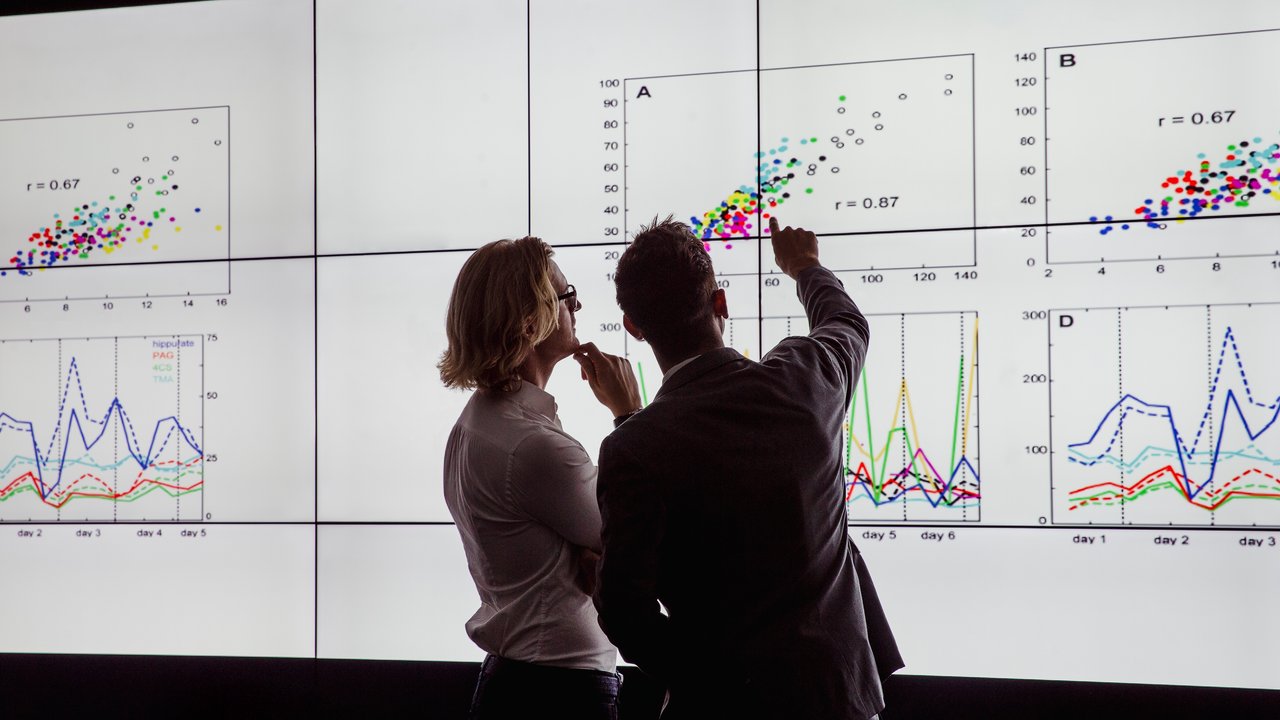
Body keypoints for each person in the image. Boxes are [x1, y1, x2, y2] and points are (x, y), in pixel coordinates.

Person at [585, 216, 904, 719]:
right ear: (720, 302)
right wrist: (804, 267)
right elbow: (846, 324)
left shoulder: (634, 447)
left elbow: (625, 612)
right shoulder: (805, 379)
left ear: (634, 328)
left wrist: (714, 682)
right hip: (838, 701)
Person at [438, 236, 642, 720]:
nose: (578, 306)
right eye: (566, 296)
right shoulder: (533, 447)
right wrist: (630, 414)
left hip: (520, 682)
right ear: (530, 322)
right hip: (560, 695)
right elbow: (638, 534)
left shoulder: (475, 426)